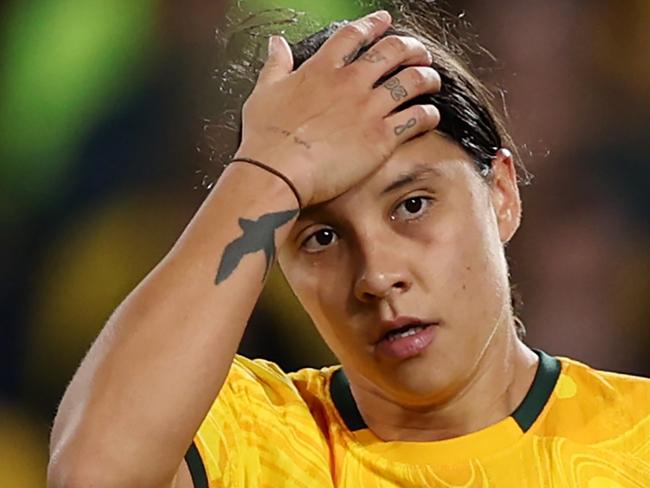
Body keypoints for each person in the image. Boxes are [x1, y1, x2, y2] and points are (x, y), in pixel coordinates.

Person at [47, 7, 650, 488]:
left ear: (501, 194)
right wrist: (267, 166)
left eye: (412, 205)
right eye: (321, 236)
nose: (377, 275)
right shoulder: (250, 436)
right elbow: (94, 475)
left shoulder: (638, 438)